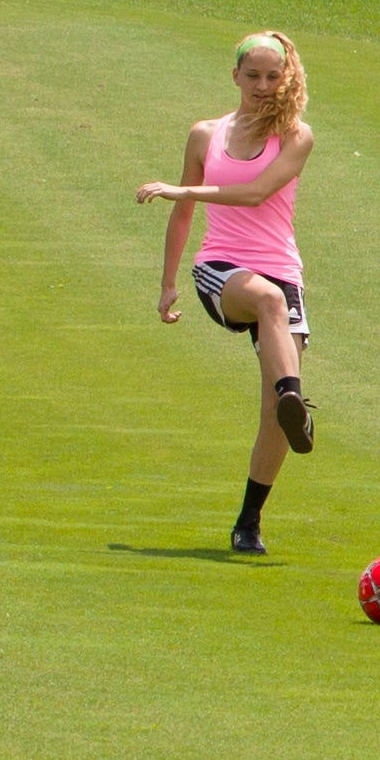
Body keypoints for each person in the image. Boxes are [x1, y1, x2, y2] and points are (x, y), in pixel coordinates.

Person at [139, 30, 320, 558]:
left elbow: (259, 192)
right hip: (221, 270)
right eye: (253, 76)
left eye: (273, 76)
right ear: (235, 75)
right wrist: (169, 282)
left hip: (282, 271)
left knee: (273, 418)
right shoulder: (205, 134)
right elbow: (184, 215)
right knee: (268, 301)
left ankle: (248, 523)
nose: (263, 86)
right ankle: (296, 399)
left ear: (286, 78)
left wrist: (184, 188)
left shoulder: (296, 136)